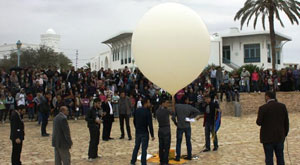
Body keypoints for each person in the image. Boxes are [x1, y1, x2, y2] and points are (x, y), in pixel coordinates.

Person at [256, 91, 289, 165]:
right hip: (279, 137)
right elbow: (286, 122)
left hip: (267, 138)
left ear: (267, 96)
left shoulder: (263, 108)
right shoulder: (282, 106)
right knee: (280, 158)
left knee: (269, 159)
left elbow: (259, 122)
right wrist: (284, 134)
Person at [172, 96, 201, 161]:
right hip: (187, 126)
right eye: (188, 100)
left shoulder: (177, 106)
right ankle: (189, 155)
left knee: (178, 142)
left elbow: (173, 117)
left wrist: (175, 123)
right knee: (188, 141)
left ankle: (178, 157)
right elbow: (198, 112)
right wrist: (190, 117)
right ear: (185, 100)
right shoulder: (189, 107)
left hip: (179, 126)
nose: (188, 101)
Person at [130, 98, 155, 165]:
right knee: (144, 149)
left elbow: (134, 121)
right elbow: (150, 124)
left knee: (136, 147)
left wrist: (137, 128)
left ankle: (133, 161)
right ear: (146, 103)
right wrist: (152, 135)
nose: (149, 104)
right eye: (149, 102)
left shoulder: (137, 110)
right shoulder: (147, 112)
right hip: (144, 132)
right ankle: (143, 163)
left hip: (138, 131)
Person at [156, 99, 173, 165]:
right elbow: (173, 113)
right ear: (162, 103)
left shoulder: (157, 111)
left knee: (161, 146)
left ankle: (161, 161)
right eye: (166, 103)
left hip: (160, 129)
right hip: (166, 129)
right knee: (166, 147)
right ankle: (165, 162)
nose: (168, 104)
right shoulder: (166, 110)